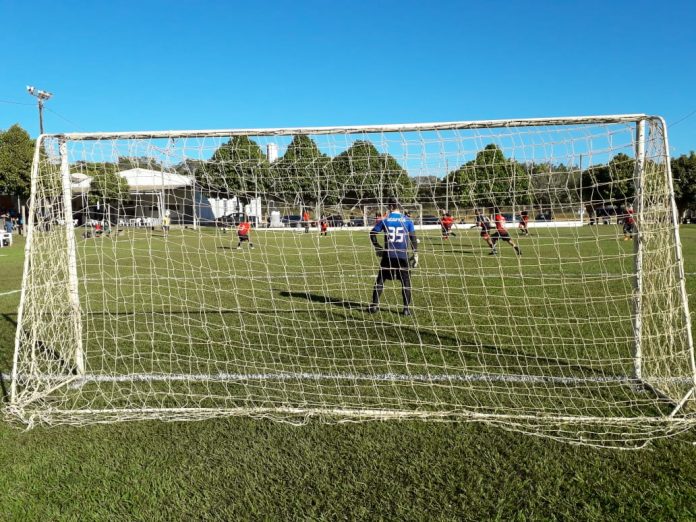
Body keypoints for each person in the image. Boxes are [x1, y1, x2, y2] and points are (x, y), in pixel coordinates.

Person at [369, 200, 418, 316]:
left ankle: (374, 306)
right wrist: (416, 254)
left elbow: (372, 233)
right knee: (406, 282)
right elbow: (413, 238)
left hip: (388, 255)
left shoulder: (385, 220)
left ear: (391, 207)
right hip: (402, 256)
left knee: (380, 280)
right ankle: (406, 309)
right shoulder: (407, 220)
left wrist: (377, 247)